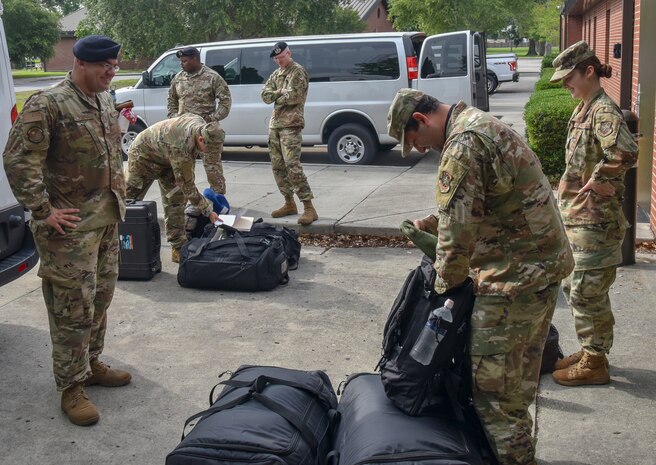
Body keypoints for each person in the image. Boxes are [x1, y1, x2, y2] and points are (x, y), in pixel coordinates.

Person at [387, 88, 574, 465]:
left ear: (421, 120)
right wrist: (434, 221)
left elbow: (456, 244)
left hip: (513, 280)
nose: (421, 149)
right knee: (516, 383)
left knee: (495, 395)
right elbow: (482, 201)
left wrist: (441, 293)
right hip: (535, 270)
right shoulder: (479, 123)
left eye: (415, 141)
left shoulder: (462, 145)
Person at [3, 35, 132, 426]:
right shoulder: (49, 103)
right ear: (80, 63)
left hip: (106, 219)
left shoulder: (105, 99)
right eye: (104, 66)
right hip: (70, 229)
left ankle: (91, 363)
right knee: (71, 309)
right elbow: (18, 160)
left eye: (114, 65)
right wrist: (43, 210)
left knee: (101, 299)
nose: (112, 72)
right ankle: (70, 386)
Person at [548, 41, 638, 386]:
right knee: (577, 288)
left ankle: (595, 362)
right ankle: (591, 350)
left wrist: (598, 180)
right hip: (580, 220)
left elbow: (625, 152)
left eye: (569, 77)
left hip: (595, 223)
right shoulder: (585, 107)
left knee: (587, 291)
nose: (564, 84)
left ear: (588, 71)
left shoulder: (602, 111)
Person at [125, 114, 222, 262]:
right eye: (208, 150)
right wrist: (208, 211)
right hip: (143, 157)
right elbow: (188, 186)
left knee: (176, 202)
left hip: (167, 159)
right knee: (127, 201)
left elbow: (186, 177)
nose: (208, 154)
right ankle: (116, 244)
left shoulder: (201, 126)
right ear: (201, 139)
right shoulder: (181, 147)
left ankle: (178, 247)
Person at [260, 41, 318, 225]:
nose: (279, 61)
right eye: (276, 58)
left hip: (291, 125)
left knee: (292, 165)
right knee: (278, 167)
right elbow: (264, 96)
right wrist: (279, 92)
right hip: (275, 125)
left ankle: (309, 207)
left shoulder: (297, 72)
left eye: (281, 57)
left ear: (289, 53)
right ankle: (289, 202)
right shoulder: (276, 74)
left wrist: (277, 96)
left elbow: (295, 97)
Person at [167, 46, 231, 195]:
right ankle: (188, 199)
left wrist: (213, 118)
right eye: (181, 61)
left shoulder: (212, 77)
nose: (181, 64)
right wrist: (173, 118)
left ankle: (218, 200)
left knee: (213, 168)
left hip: (205, 131)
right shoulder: (178, 78)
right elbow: (171, 100)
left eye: (184, 61)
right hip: (183, 132)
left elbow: (225, 102)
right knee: (183, 169)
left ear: (195, 59)